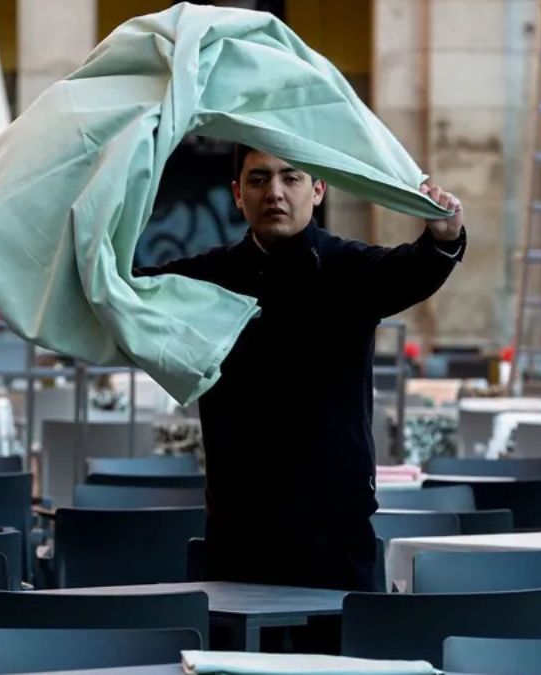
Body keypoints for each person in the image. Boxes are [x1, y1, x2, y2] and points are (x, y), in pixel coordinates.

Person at [135, 145, 466, 592]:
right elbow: (127, 294)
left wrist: (443, 239)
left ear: (318, 189)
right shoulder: (207, 276)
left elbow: (413, 269)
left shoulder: (348, 267)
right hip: (239, 532)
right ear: (237, 193)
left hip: (337, 533)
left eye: (291, 178)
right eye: (258, 179)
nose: (275, 192)